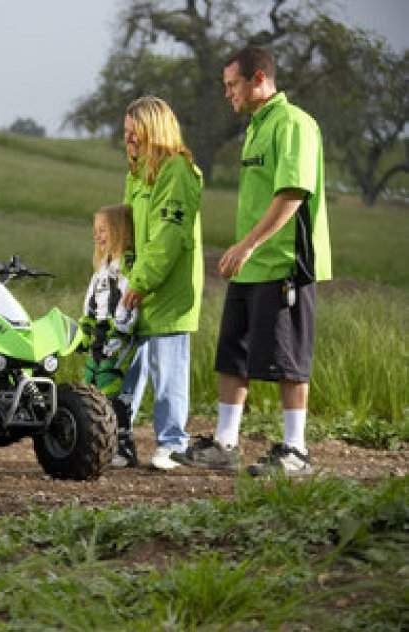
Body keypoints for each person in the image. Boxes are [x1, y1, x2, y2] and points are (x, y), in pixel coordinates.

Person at [173, 46, 331, 477]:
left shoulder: (293, 123)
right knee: (233, 354)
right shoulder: (256, 128)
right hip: (252, 265)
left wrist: (248, 246)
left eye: (232, 85)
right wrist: (244, 251)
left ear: (258, 79)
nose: (228, 94)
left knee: (289, 361)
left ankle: (296, 452)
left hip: (284, 263)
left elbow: (293, 194)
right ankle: (225, 444)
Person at [119, 95, 205, 470]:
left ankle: (172, 442)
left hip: (167, 288)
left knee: (167, 367)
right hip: (137, 284)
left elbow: (169, 236)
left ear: (153, 129)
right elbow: (127, 228)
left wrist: (142, 280)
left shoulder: (177, 171)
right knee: (125, 365)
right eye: (125, 135)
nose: (128, 142)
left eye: (134, 134)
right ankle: (120, 441)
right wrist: (123, 275)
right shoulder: (136, 174)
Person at [79, 204, 140, 466]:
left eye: (103, 230)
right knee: (91, 383)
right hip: (99, 332)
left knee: (110, 384)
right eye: (95, 231)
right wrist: (84, 330)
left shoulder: (126, 266)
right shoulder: (102, 267)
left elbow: (128, 303)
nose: (97, 235)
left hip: (117, 333)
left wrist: (120, 333)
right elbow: (91, 302)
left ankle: (124, 447)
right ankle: (96, 443)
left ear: (119, 231)